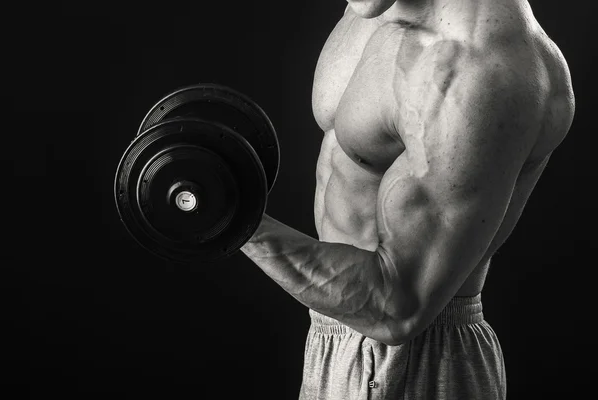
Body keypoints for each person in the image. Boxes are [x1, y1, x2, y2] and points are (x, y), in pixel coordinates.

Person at [240, 0, 575, 398]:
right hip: (332, 336)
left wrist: (233, 221)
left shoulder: (480, 71)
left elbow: (396, 306)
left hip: (416, 364)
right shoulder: (375, 8)